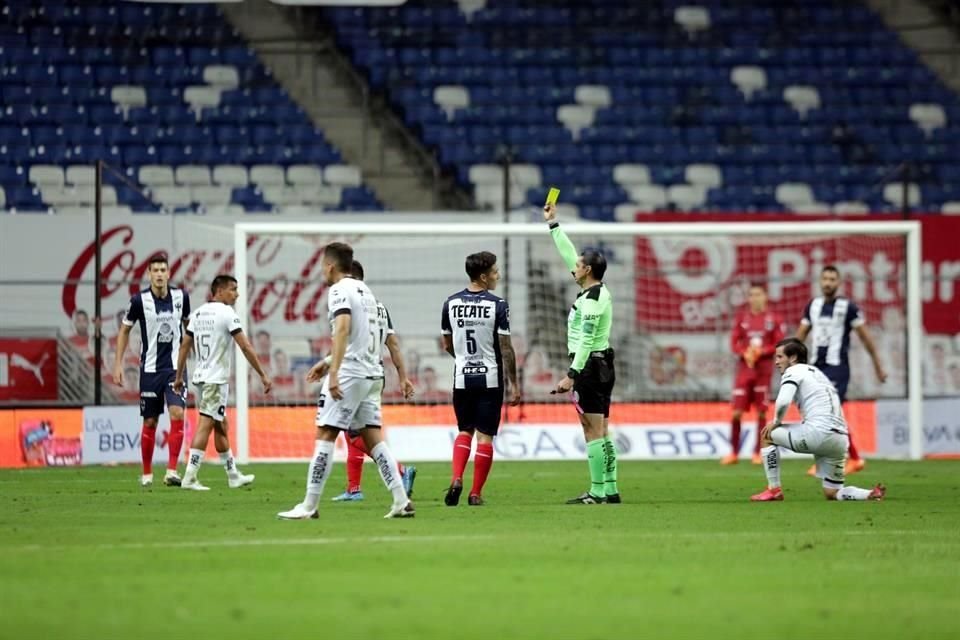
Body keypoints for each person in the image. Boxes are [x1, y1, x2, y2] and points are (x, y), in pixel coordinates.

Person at [277, 242, 414, 520]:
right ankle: (401, 500)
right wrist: (327, 362)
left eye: (322, 267)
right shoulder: (368, 293)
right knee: (374, 439)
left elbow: (342, 329)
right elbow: (365, 339)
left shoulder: (338, 290)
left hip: (350, 373)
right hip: (371, 374)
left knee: (325, 433)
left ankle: (309, 505)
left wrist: (335, 371)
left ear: (329, 266)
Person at [317, 259, 417, 503]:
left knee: (353, 435)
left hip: (357, 373)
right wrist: (403, 377)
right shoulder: (378, 306)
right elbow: (392, 344)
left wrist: (330, 366)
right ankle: (354, 488)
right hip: (376, 373)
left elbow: (347, 340)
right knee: (356, 431)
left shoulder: (352, 303)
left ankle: (400, 470)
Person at [544, 203, 619, 504]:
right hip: (603, 365)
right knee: (603, 429)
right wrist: (554, 225)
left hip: (588, 367)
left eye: (577, 265)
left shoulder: (590, 302)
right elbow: (568, 253)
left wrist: (571, 375)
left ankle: (597, 491)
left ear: (587, 269)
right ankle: (610, 489)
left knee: (591, 430)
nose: (572, 267)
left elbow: (586, 342)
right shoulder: (597, 292)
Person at [750, 338, 885, 502]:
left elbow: (783, 401)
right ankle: (868, 494)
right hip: (840, 440)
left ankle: (774, 490)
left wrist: (776, 421)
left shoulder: (793, 371)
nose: (776, 362)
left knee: (766, 435)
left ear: (792, 358)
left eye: (780, 357)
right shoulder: (818, 374)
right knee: (833, 492)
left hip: (817, 434)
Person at [173, 275, 270, 490]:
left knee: (221, 425)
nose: (236, 294)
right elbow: (245, 346)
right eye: (233, 289)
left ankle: (233, 475)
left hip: (200, 378)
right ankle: (189, 476)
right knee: (206, 424)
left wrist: (179, 377)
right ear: (219, 291)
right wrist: (262, 374)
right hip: (215, 381)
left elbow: (184, 347)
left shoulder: (197, 314)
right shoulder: (227, 313)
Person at [441, 251, 521, 507]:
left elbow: (446, 343)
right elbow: (506, 348)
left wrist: (463, 358)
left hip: (462, 376)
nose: (499, 275)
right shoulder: (498, 305)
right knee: (484, 437)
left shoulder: (450, 303)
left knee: (465, 431)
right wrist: (515, 384)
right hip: (490, 377)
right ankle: (475, 493)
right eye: (496, 272)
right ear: (484, 277)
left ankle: (456, 478)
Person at [796, 266, 887, 475]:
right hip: (816, 368)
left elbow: (865, 338)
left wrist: (878, 366)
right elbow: (800, 336)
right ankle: (852, 458)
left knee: (829, 413)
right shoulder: (813, 306)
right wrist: (788, 360)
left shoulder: (848, 307)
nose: (828, 283)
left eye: (832, 279)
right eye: (825, 279)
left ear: (838, 283)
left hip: (838, 368)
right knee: (816, 414)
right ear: (820, 281)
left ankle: (842, 460)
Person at [112, 253, 190, 487]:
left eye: (162, 270)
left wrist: (194, 356)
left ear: (168, 273)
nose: (159, 274)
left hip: (175, 368)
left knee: (177, 414)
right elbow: (124, 331)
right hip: (149, 370)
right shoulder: (138, 301)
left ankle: (172, 471)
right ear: (149, 274)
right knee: (150, 422)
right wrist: (118, 364)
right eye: (154, 270)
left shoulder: (181, 297)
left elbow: (189, 328)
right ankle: (147, 474)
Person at [722, 283, 785, 466]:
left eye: (758, 294)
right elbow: (734, 342)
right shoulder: (742, 318)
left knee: (762, 413)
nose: (754, 298)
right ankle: (733, 453)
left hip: (763, 371)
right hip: (744, 371)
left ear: (765, 296)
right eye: (751, 295)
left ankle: (758, 452)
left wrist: (761, 351)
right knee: (736, 412)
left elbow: (779, 343)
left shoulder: (774, 319)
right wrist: (745, 352)